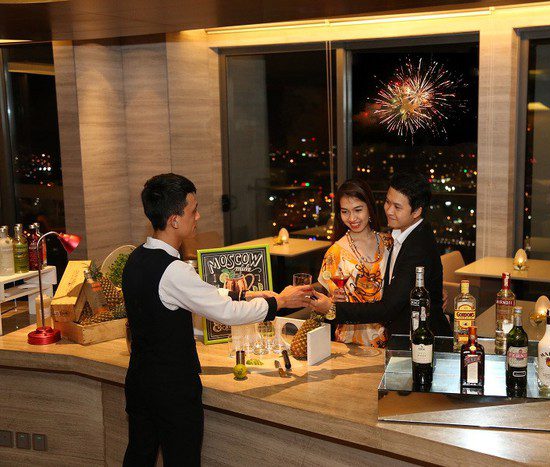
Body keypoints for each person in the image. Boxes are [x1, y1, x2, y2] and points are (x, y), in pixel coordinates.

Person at [122, 173, 309, 466]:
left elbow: (199, 294)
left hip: (139, 380)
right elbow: (226, 313)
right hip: (172, 388)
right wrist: (279, 302)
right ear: (174, 220)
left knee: (139, 456)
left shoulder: (136, 258)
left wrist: (247, 294)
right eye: (193, 210)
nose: (198, 216)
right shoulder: (173, 270)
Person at [307, 171, 451, 338]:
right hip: (362, 336)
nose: (389, 210)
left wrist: (333, 309)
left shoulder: (410, 246)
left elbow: (388, 308)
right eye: (387, 202)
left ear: (417, 211)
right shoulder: (397, 238)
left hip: (416, 340)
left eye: (397, 207)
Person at [317, 179, 392, 348]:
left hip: (389, 339)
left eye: (358, 210)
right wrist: (333, 300)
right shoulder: (335, 253)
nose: (352, 218)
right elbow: (328, 307)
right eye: (345, 211)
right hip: (349, 344)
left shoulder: (389, 243)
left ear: (369, 208)